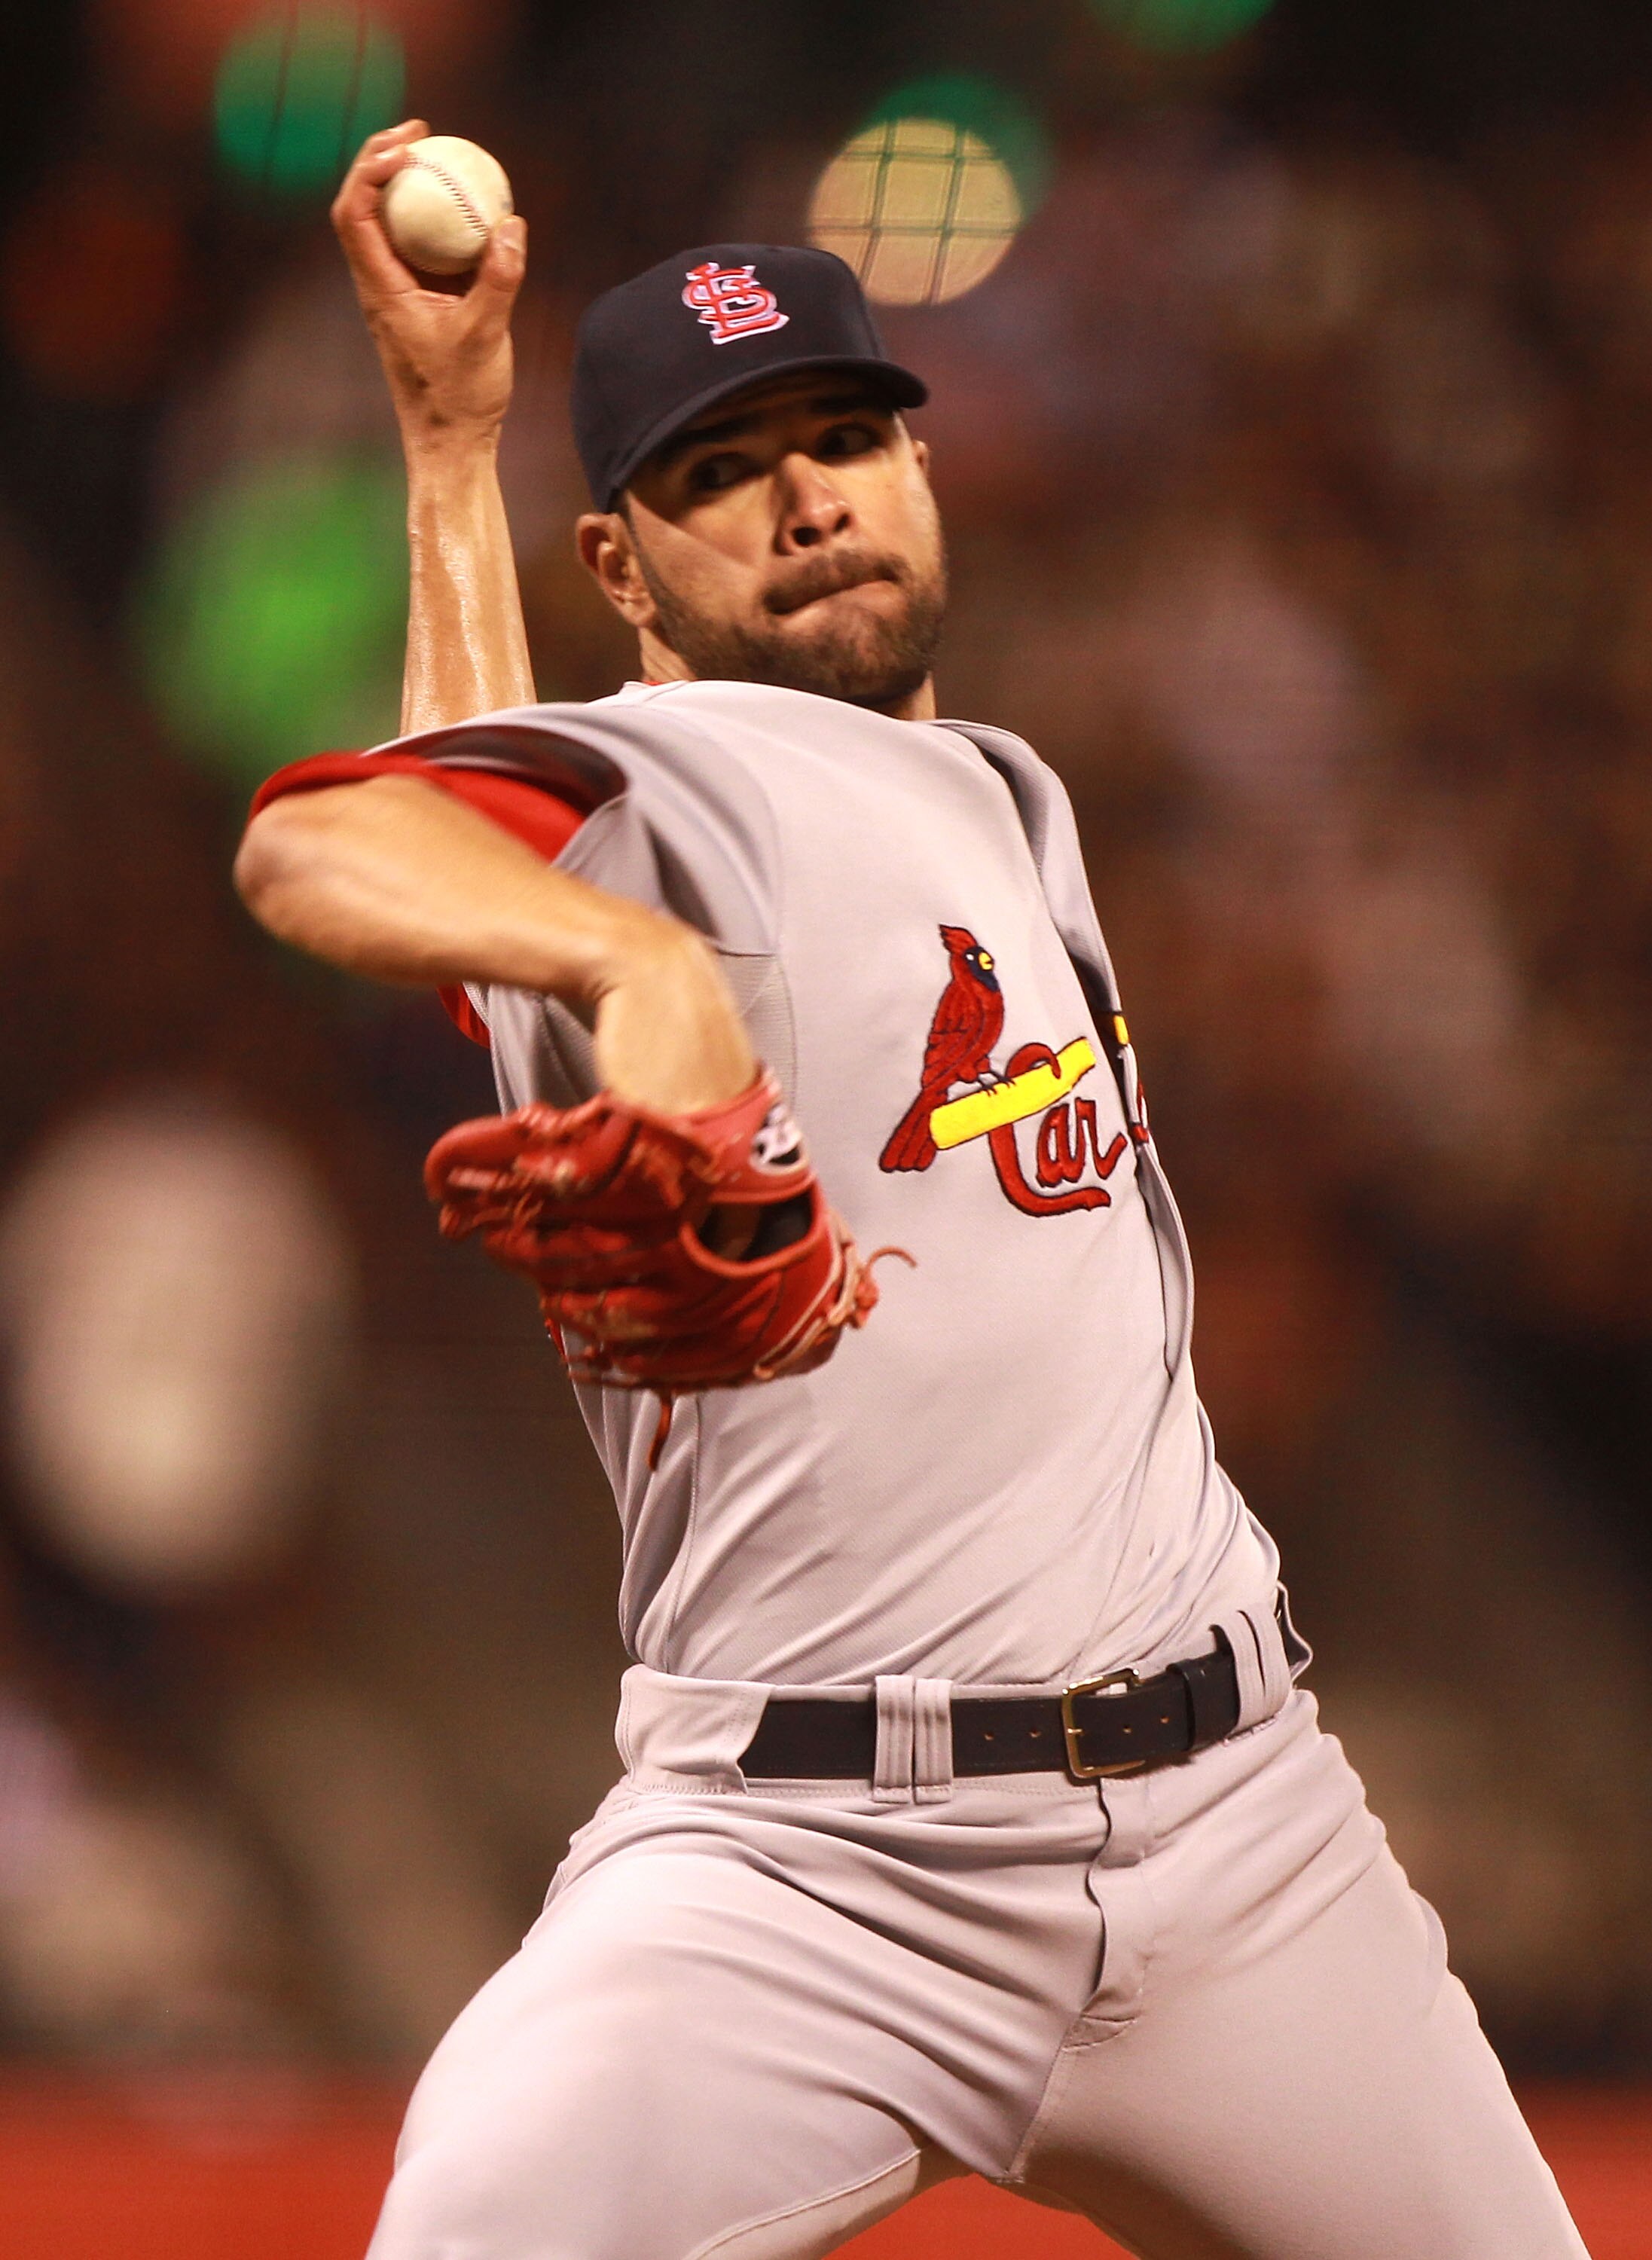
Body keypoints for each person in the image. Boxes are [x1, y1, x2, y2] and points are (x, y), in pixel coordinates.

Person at [235, 121, 1589, 2260]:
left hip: (1238, 1834)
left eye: (846, 433)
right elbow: (327, 847)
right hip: (799, 1873)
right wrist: (630, 954)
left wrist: (446, 446)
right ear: (621, 574)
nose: (806, 498)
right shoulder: (702, 775)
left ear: (920, 470)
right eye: (719, 469)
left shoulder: (1000, 793)